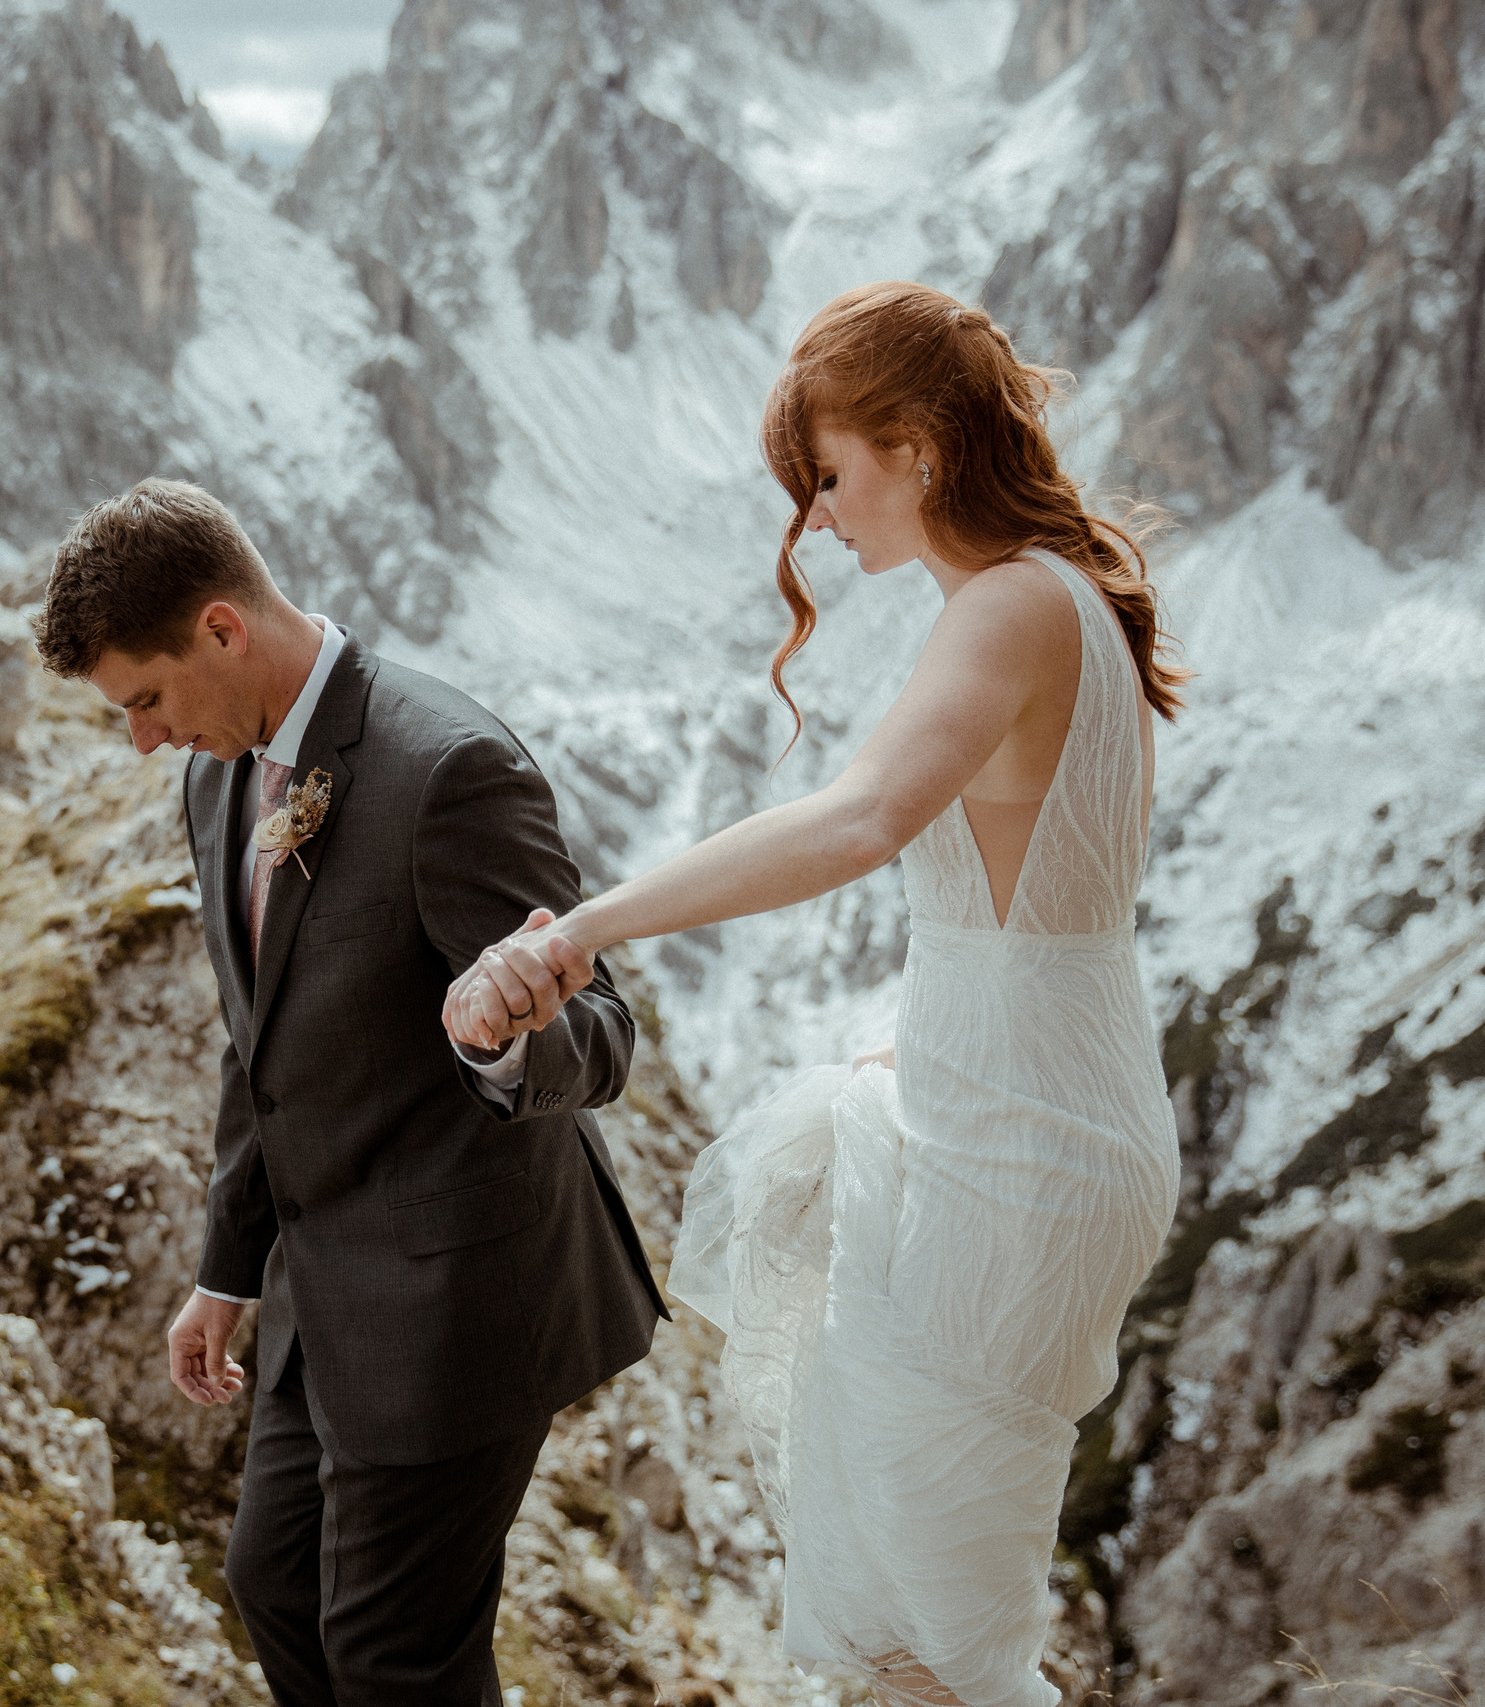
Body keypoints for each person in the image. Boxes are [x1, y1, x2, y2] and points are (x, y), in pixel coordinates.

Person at [446, 281, 1186, 1707]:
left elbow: (859, 822)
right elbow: (1033, 914)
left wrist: (587, 925)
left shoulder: (1013, 606)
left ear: (918, 444)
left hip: (1014, 1152)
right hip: (1042, 1118)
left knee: (937, 1649)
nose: (819, 522)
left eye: (830, 477)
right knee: (936, 1629)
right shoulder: (1065, 598)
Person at [32, 478, 670, 1705]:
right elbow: (257, 1048)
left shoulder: (450, 771)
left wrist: (496, 1041)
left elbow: (602, 1032)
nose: (144, 739)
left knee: (395, 1662)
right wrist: (227, 1271)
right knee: (272, 1589)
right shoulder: (215, 784)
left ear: (222, 628)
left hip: (461, 1299)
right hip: (315, 1297)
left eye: (148, 700)